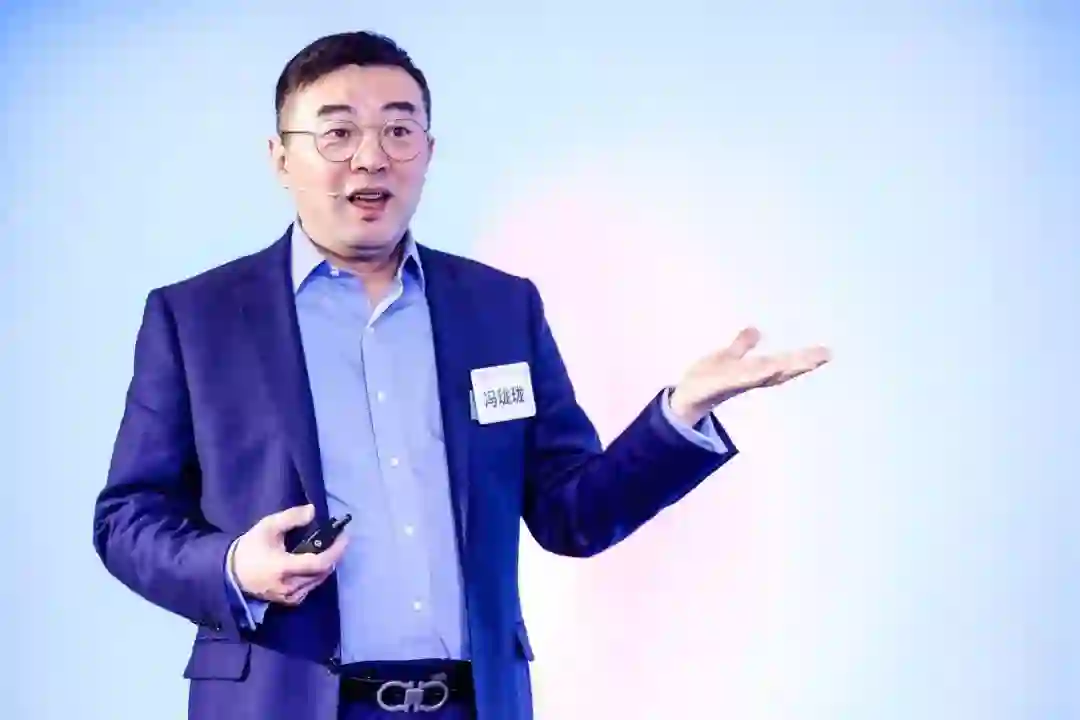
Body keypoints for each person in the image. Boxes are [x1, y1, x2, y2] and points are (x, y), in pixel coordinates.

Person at [92, 30, 830, 720]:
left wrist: (680, 414)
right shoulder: (197, 318)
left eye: (398, 130)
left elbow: (572, 514)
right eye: (337, 133)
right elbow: (128, 517)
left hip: (471, 703)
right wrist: (231, 568)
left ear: (428, 150)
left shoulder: (500, 309)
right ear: (281, 158)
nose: (371, 157)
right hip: (283, 701)